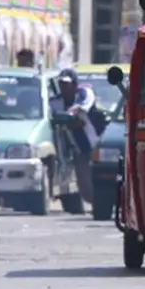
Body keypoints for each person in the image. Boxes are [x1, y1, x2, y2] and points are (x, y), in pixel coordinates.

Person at [50, 68, 98, 205]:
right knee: (84, 185)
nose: (64, 87)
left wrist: (70, 114)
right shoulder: (55, 101)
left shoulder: (84, 93)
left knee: (98, 180)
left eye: (67, 83)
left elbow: (82, 109)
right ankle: (91, 203)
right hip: (75, 147)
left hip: (93, 144)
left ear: (75, 83)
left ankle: (102, 204)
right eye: (61, 84)